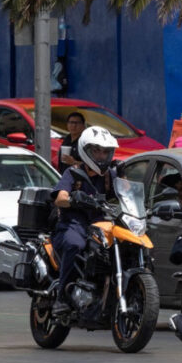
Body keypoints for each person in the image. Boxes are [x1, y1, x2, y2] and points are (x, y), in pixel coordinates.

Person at [50, 126, 119, 316]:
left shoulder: (111, 175)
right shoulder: (73, 173)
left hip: (101, 225)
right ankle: (61, 298)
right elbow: (60, 198)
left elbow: (126, 194)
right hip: (74, 223)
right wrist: (74, 199)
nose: (102, 156)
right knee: (75, 244)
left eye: (106, 152)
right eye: (97, 150)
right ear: (86, 151)